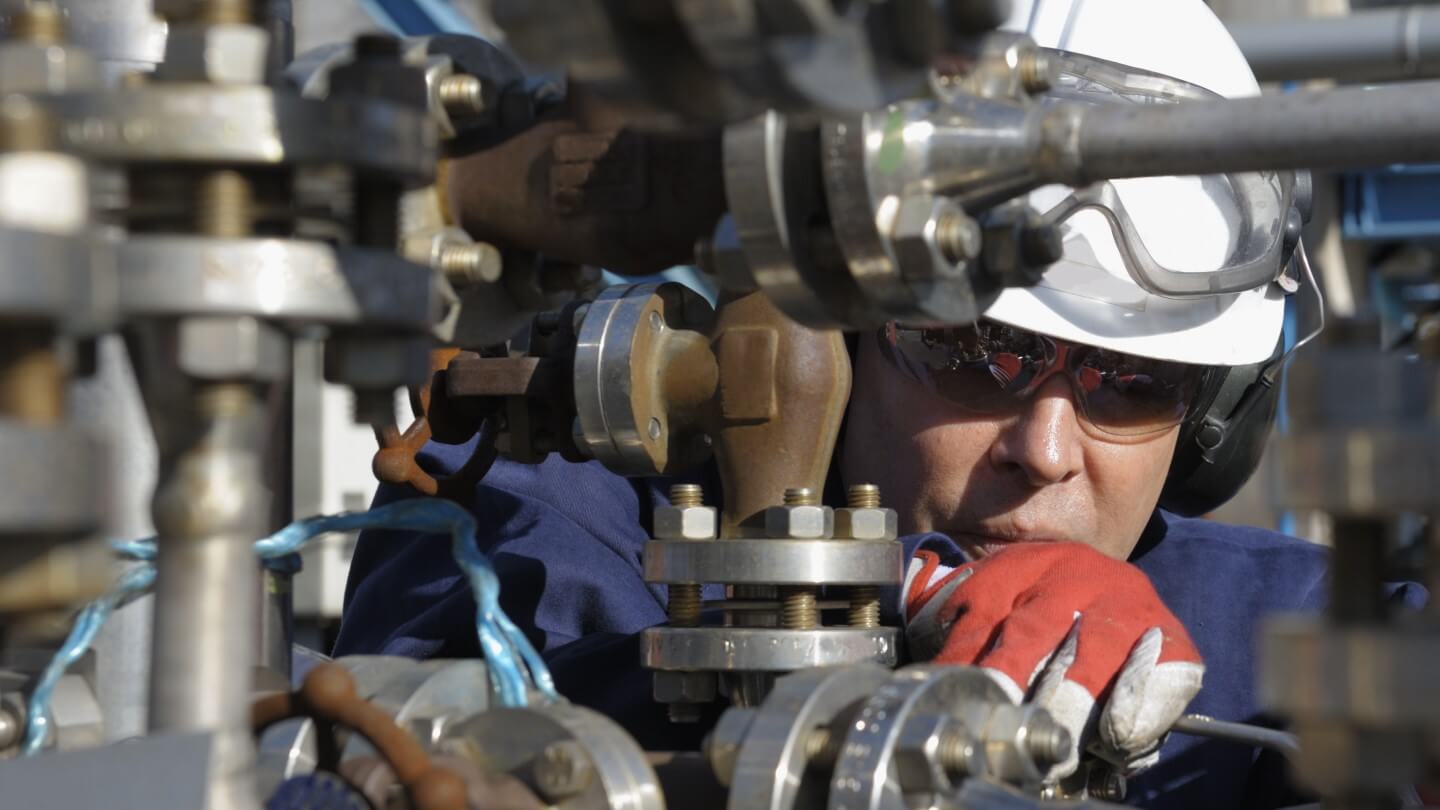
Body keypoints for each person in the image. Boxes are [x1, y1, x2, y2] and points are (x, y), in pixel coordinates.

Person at [334, 1, 1425, 807]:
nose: (1047, 451)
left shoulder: (1275, 636)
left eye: (1131, 386)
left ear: (1217, 419)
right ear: (838, 333)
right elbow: (364, 761)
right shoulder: (541, 535)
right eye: (974, 352)